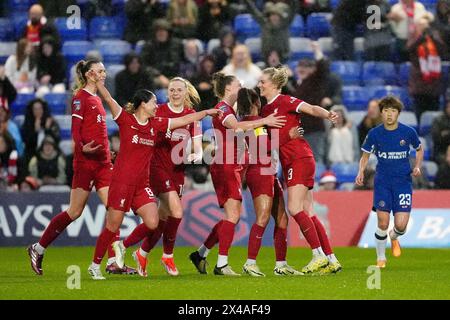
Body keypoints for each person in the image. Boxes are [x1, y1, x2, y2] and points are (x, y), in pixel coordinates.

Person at [88, 78, 222, 280]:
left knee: (153, 222)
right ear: (143, 104)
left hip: (142, 185)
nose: (155, 106)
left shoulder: (156, 124)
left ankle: (125, 247)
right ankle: (95, 265)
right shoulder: (125, 120)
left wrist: (206, 113)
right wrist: (96, 82)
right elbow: (108, 98)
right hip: (122, 183)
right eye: (152, 103)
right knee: (112, 226)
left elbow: (183, 121)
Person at [27, 59, 135, 276]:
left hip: (103, 163)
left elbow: (96, 130)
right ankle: (37, 248)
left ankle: (113, 261)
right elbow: (77, 130)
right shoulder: (80, 97)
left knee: (114, 210)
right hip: (86, 163)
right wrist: (82, 146)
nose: (104, 74)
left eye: (104, 71)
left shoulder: (97, 98)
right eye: (100, 71)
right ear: (89, 74)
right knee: (74, 211)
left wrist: (106, 151)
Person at [188, 72, 286, 276]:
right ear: (228, 89)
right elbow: (237, 127)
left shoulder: (227, 109)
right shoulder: (223, 109)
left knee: (229, 217)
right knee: (233, 216)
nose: (241, 87)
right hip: (227, 166)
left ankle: (201, 253)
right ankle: (221, 264)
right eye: (239, 84)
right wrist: (265, 120)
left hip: (233, 165)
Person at [258, 66, 342, 274]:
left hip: (299, 158)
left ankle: (318, 255)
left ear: (275, 85)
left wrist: (327, 114)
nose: (260, 85)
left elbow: (312, 108)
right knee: (309, 211)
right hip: (292, 161)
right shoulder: (264, 111)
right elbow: (267, 143)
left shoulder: (285, 101)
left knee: (295, 209)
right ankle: (332, 259)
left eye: (263, 82)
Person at [119, 77, 203, 277]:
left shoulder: (192, 116)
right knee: (177, 211)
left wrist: (196, 154)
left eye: (178, 90)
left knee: (163, 218)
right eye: (171, 90)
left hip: (178, 170)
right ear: (168, 92)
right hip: (157, 168)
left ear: (185, 92)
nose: (175, 93)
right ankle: (166, 256)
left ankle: (142, 252)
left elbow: (198, 146)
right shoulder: (158, 111)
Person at [236, 87, 303, 277]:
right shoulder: (254, 123)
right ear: (257, 102)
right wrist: (287, 137)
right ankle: (250, 263)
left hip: (269, 172)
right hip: (260, 173)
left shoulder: (250, 122)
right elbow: (262, 147)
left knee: (282, 218)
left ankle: (281, 264)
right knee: (263, 217)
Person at [356, 96, 423, 268]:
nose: (389, 114)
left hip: (403, 183)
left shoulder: (408, 132)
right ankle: (381, 258)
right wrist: (361, 171)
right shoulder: (374, 133)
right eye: (386, 111)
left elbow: (419, 148)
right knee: (382, 222)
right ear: (381, 113)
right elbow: (365, 155)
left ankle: (394, 237)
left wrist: (417, 166)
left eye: (393, 111)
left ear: (398, 113)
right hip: (383, 183)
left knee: (400, 225)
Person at [21, 98, 60, 167]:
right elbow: (27, 143)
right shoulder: (27, 123)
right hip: (32, 154)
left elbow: (56, 141)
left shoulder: (51, 122)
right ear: (31, 110)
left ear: (44, 109)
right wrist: (35, 131)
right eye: (35, 109)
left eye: (40, 108)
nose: (38, 111)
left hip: (50, 155)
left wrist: (47, 130)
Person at [431, 100, 450, 165]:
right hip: (441, 151)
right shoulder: (439, 120)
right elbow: (437, 139)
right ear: (447, 107)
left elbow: (444, 135)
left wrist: (446, 133)